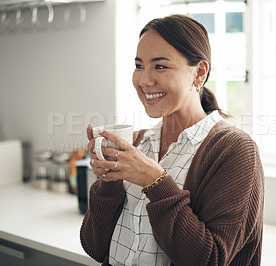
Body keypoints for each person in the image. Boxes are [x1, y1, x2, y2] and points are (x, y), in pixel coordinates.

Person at [80, 14, 264, 266]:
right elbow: (95, 247)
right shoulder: (138, 144)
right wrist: (109, 181)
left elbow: (210, 259)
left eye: (160, 66)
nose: (144, 80)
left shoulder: (234, 150)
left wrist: (154, 181)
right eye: (139, 65)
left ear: (199, 72)